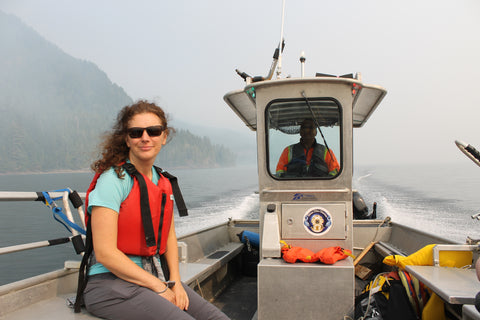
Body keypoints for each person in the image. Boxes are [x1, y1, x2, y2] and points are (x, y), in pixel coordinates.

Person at [75, 100, 230, 320]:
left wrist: (174, 283)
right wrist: (158, 287)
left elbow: (168, 235)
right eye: (136, 132)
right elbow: (105, 253)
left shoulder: (162, 181)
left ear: (164, 136)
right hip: (109, 285)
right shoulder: (113, 181)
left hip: (154, 277)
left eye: (154, 131)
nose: (145, 138)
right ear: (127, 139)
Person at [276, 118, 340, 177]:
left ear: (316, 132)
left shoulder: (327, 151)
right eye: (304, 127)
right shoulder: (288, 151)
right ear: (300, 131)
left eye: (311, 127)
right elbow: (279, 173)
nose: (307, 130)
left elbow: (335, 172)